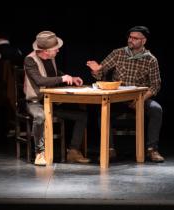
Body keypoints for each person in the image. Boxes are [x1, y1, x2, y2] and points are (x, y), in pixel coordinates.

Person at [86, 25, 164, 163]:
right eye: (130, 37)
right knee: (103, 109)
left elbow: (155, 85)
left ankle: (152, 149)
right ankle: (109, 149)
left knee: (156, 109)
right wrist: (96, 70)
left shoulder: (151, 59)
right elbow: (100, 73)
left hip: (140, 98)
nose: (131, 40)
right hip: (118, 98)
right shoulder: (118, 53)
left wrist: (140, 100)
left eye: (135, 38)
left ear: (143, 41)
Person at [24, 31, 90, 166]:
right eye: (55, 49)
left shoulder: (51, 58)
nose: (58, 50)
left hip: (52, 102)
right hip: (35, 102)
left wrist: (69, 78)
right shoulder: (30, 60)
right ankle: (39, 153)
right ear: (45, 51)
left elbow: (54, 74)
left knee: (82, 116)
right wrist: (61, 78)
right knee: (40, 116)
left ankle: (73, 151)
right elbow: (40, 80)